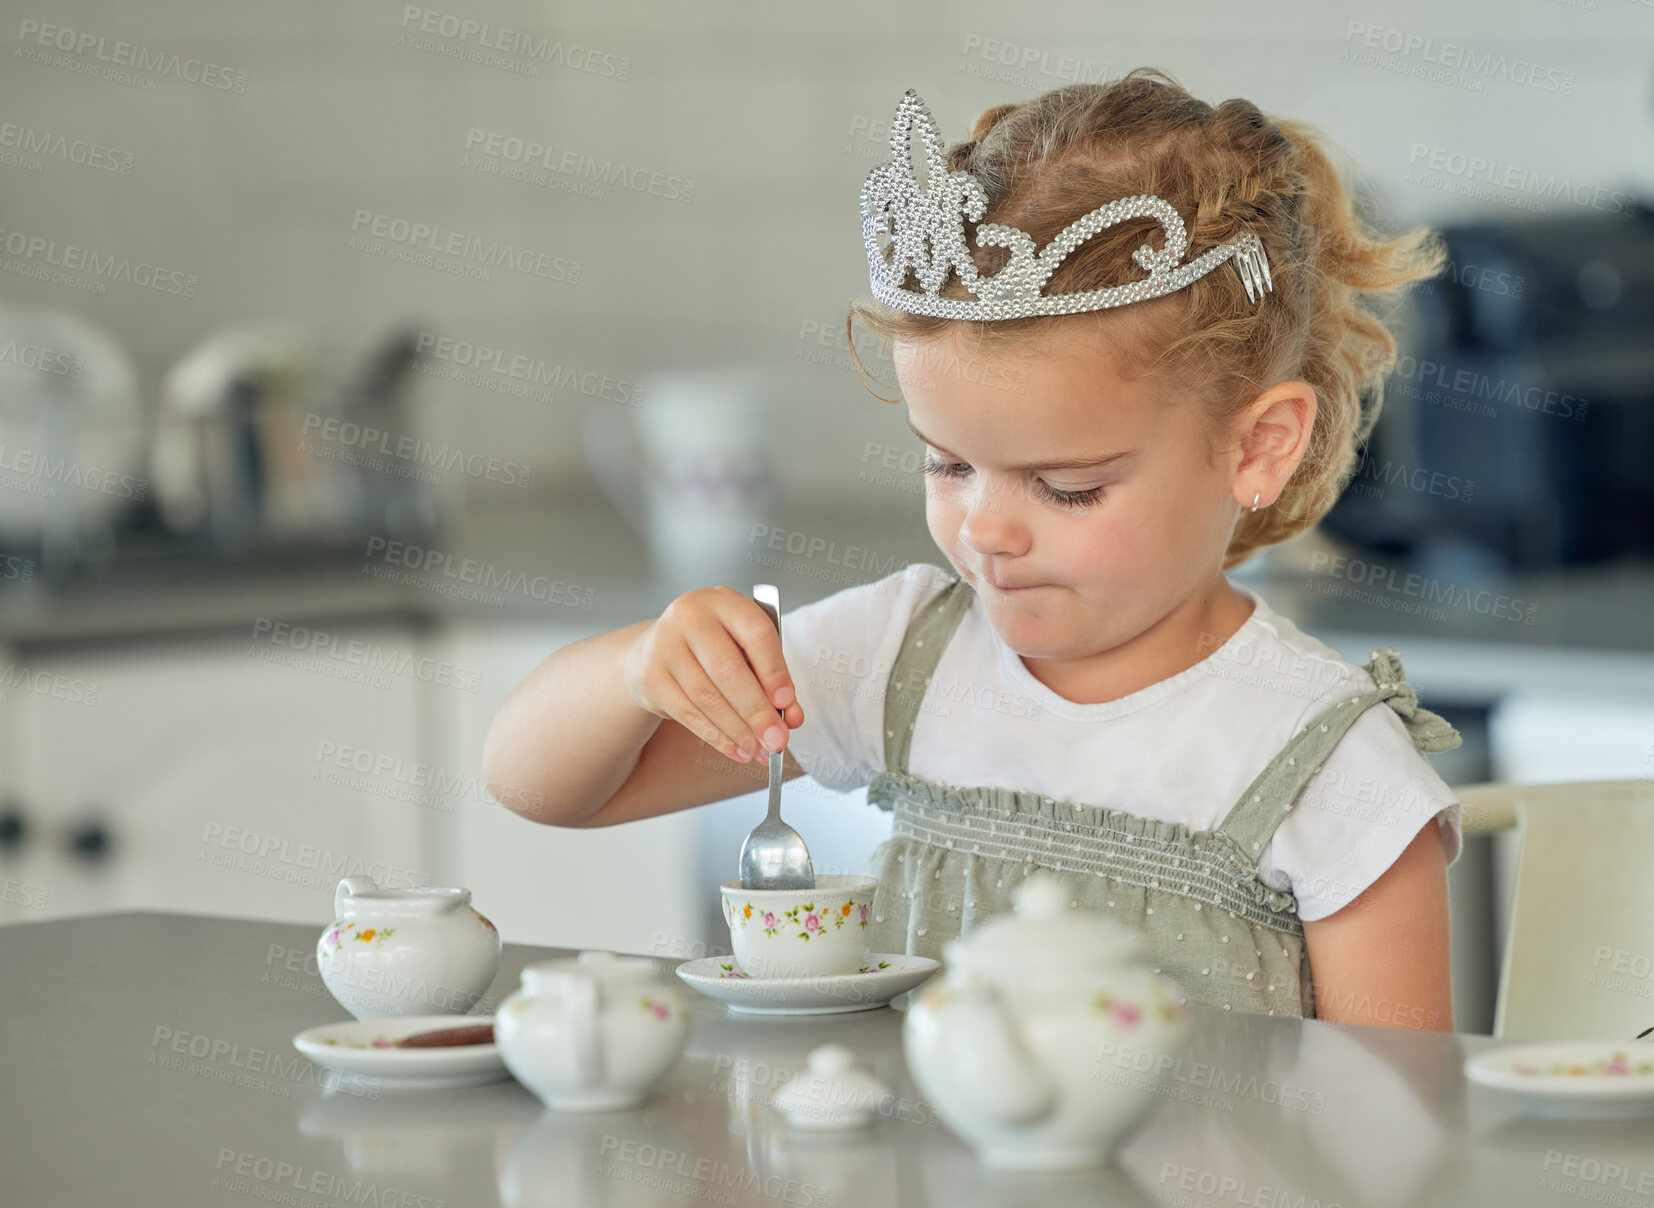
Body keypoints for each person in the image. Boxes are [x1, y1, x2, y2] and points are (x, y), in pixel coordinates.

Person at [483, 70, 1465, 1030]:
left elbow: (1397, 1121)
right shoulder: (903, 653)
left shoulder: (1322, 757)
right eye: (946, 464)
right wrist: (637, 667)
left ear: (1257, 445)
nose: (985, 529)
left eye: (1066, 484)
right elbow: (541, 786)